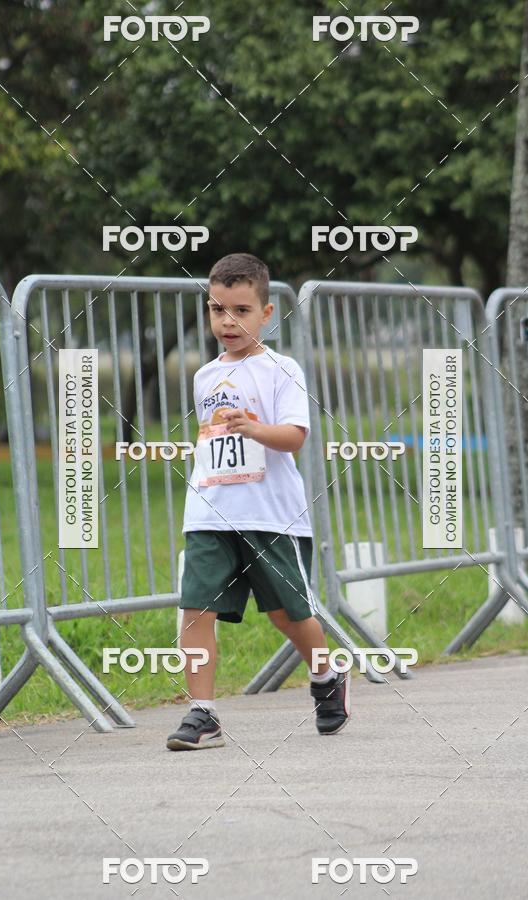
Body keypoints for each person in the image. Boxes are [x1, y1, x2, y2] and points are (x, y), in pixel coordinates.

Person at [166, 253, 350, 750]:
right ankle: (202, 713)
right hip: (209, 509)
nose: (227, 321)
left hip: (272, 515)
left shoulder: (280, 368)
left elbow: (294, 436)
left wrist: (253, 428)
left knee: (286, 614)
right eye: (217, 309)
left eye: (241, 310)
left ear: (266, 314)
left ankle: (326, 676)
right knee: (195, 609)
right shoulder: (205, 376)